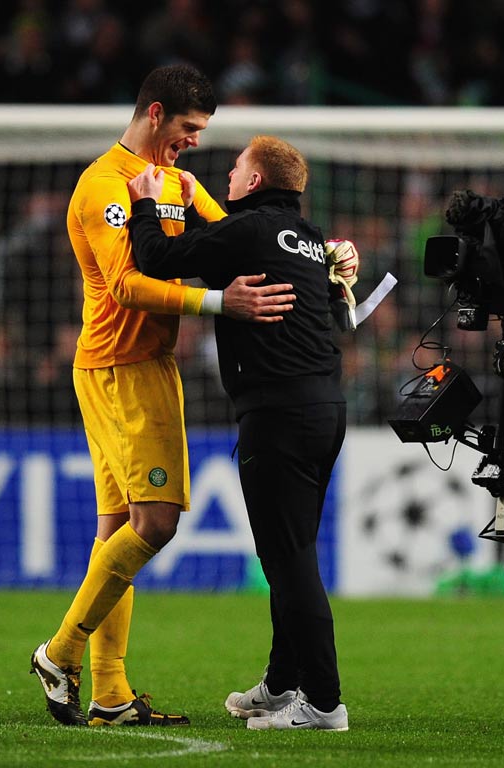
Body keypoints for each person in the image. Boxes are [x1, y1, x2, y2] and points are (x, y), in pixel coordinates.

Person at [29, 64, 297, 728]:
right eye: (188, 128)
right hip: (119, 367)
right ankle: (59, 652)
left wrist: (321, 255)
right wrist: (218, 303)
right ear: (155, 114)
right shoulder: (103, 187)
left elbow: (239, 234)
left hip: (143, 365)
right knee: (157, 522)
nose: (195, 143)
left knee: (119, 528)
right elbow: (124, 285)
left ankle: (110, 694)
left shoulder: (178, 184)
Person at [126, 135, 351, 731]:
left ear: (254, 183)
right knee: (289, 555)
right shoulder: (311, 238)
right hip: (324, 409)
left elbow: (156, 259)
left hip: (278, 415)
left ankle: (324, 703)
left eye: (234, 169)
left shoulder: (247, 232)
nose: (226, 177)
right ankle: (283, 684)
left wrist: (145, 203)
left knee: (289, 559)